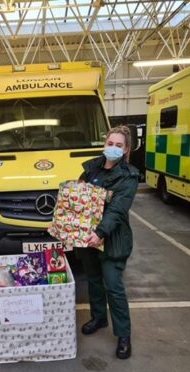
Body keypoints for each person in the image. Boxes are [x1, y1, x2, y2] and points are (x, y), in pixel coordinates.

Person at [78, 125, 139, 359]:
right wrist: (62, 222)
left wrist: (100, 232)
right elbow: (77, 200)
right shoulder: (91, 169)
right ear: (105, 144)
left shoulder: (129, 177)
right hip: (87, 236)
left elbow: (117, 210)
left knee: (113, 286)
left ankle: (124, 335)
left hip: (111, 239)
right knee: (93, 279)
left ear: (126, 150)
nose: (113, 148)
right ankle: (99, 318)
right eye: (110, 143)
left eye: (118, 145)